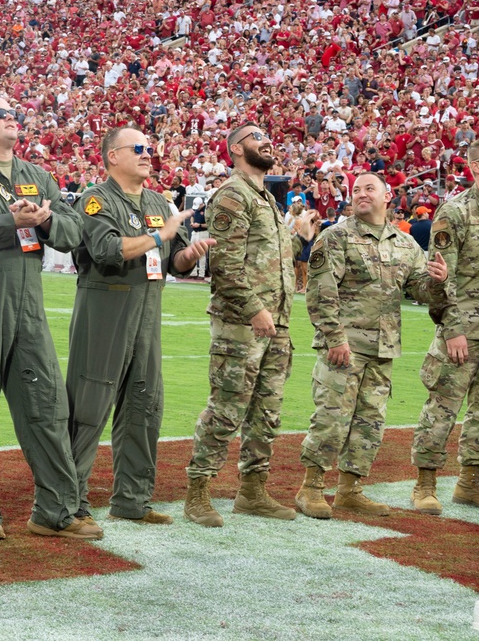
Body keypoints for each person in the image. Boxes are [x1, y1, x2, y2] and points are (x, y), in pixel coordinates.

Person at [0, 96, 100, 542]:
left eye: (14, 114)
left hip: (28, 305)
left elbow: (72, 233)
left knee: (47, 405)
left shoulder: (36, 175)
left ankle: (56, 511)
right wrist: (8, 220)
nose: (12, 119)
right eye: (0, 114)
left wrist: (45, 222)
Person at [68, 126, 214, 526]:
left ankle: (132, 499)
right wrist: (159, 234)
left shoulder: (158, 201)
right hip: (105, 311)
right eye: (138, 148)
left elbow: (175, 259)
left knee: (144, 407)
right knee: (88, 407)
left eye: (150, 148)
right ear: (113, 156)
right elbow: (106, 250)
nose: (148, 153)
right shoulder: (96, 200)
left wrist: (189, 253)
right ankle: (68, 502)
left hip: (148, 314)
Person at [295, 172, 447, 519]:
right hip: (344, 347)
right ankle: (311, 488)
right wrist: (334, 337)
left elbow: (418, 289)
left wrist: (437, 282)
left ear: (387, 195)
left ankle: (350, 489)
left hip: (383, 348)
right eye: (356, 190)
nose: (361, 194)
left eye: (369, 188)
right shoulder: (337, 237)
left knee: (369, 423)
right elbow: (321, 293)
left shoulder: (405, 243)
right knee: (332, 418)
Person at [184, 122, 315, 528]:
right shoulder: (232, 195)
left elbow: (268, 259)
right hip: (242, 325)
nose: (267, 141)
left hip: (276, 324)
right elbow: (224, 264)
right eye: (257, 137)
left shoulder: (268, 200)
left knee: (267, 412)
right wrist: (254, 309)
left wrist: (301, 239)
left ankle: (252, 491)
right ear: (237, 149)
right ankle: (197, 492)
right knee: (226, 410)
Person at [410, 140, 479, 515]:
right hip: (462, 330)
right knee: (442, 409)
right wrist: (452, 327)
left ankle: (470, 483)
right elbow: (440, 277)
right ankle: (425, 484)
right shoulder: (454, 213)